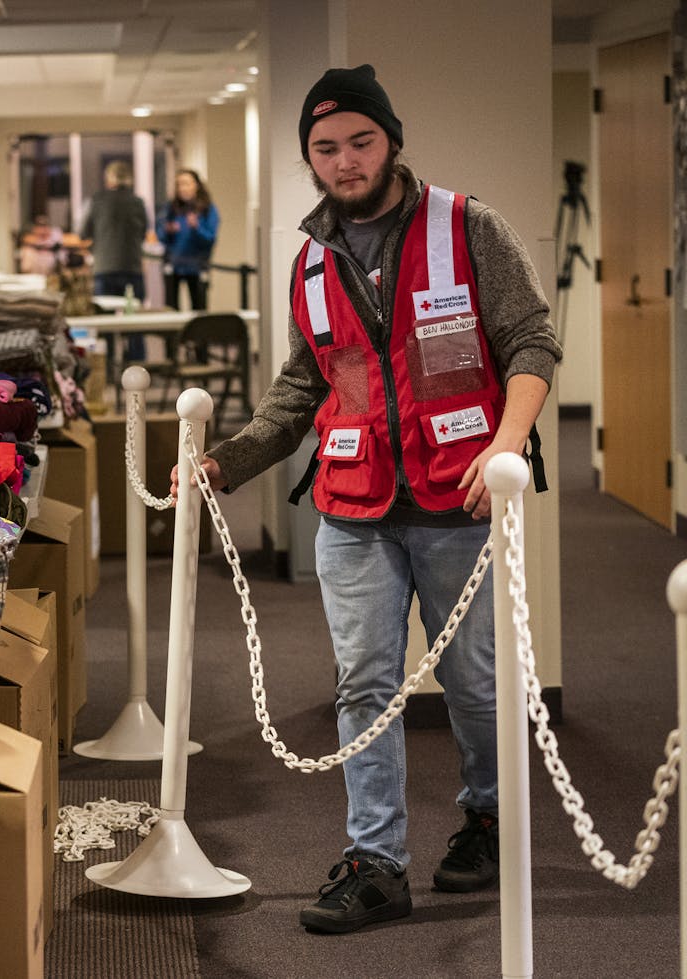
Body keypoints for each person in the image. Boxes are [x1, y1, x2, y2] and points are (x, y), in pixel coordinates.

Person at [173, 64, 562, 934]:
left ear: (391, 140)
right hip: (353, 506)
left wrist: (505, 442)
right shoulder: (309, 260)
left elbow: (533, 340)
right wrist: (224, 463)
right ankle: (376, 859)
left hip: (457, 495)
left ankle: (491, 818)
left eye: (361, 142)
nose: (346, 161)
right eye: (326, 148)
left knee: (473, 680)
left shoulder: (468, 228)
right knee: (366, 683)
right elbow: (299, 388)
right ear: (309, 158)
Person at [80, 160, 150, 359]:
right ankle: (137, 364)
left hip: (104, 268)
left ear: (109, 179)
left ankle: (108, 366)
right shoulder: (138, 202)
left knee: (105, 323)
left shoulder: (97, 200)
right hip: (133, 268)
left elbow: (83, 232)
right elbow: (144, 232)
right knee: (134, 321)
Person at [157, 169, 220, 310]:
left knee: (199, 308)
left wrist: (196, 227)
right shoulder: (170, 209)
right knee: (171, 309)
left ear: (196, 185)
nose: (182, 188)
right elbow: (161, 235)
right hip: (173, 265)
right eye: (179, 184)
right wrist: (168, 231)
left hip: (198, 266)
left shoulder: (208, 209)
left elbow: (210, 239)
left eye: (186, 183)